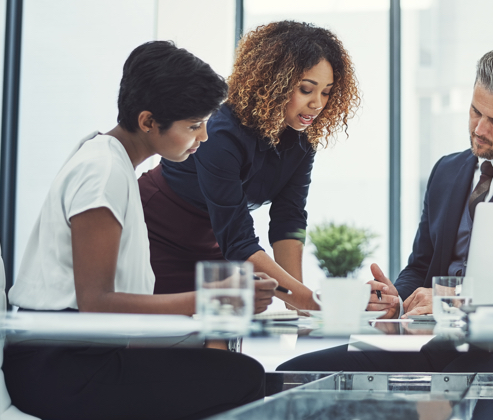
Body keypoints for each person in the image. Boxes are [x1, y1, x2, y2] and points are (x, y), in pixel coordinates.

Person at [279, 46, 493, 420]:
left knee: (411, 409)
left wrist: (452, 297)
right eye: (475, 111)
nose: (479, 129)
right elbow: (420, 265)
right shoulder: (446, 171)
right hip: (437, 344)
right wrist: (397, 298)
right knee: (295, 379)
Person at [3, 41, 278, 420]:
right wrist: (214, 297)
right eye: (194, 126)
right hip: (60, 369)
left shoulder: (108, 159)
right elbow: (97, 304)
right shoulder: (102, 172)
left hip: (78, 355)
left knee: (225, 367)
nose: (204, 138)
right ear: (148, 121)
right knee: (243, 377)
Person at [139, 21, 361, 310]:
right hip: (159, 233)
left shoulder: (302, 140)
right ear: (273, 83)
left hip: (219, 244)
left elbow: (289, 221)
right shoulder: (220, 133)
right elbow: (239, 242)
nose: (317, 104)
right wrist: (312, 302)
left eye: (327, 92)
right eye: (306, 89)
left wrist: (300, 308)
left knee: (220, 343)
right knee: (165, 342)